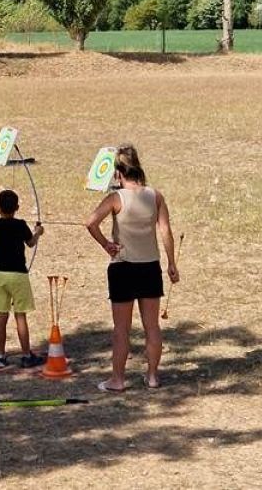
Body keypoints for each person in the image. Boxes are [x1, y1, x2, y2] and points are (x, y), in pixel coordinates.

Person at [85, 144, 179, 392]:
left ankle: (118, 379)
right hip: (149, 268)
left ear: (118, 173)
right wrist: (171, 263)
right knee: (152, 327)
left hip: (123, 269)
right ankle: (152, 376)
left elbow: (91, 222)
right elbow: (165, 230)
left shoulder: (116, 198)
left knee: (121, 330)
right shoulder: (155, 195)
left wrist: (107, 244)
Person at [0, 189, 44, 369]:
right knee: (20, 316)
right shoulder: (20, 225)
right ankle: (27, 356)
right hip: (19, 275)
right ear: (17, 207)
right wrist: (38, 232)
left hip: (1, 276)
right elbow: (30, 243)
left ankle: (1, 356)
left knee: (1, 315)